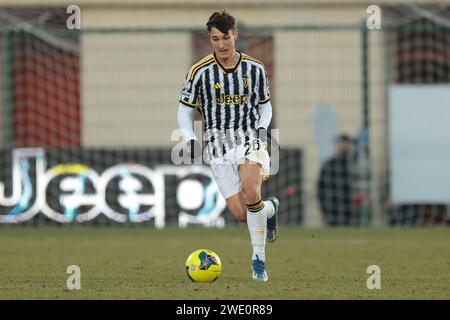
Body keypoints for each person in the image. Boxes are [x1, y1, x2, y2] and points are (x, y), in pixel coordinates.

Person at [177, 11, 279, 282]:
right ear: (209, 39)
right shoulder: (199, 72)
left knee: (250, 189)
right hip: (217, 145)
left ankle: (258, 261)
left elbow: (265, 107)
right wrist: (189, 139)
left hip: (249, 139)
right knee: (242, 214)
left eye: (225, 37)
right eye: (214, 39)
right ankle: (270, 209)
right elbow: (184, 111)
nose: (221, 44)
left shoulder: (254, 69)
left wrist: (260, 130)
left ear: (235, 34)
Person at [317, 134, 357, 226]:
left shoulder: (354, 164)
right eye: (342, 143)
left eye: (346, 143)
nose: (344, 146)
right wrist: (323, 208)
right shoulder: (329, 165)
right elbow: (320, 188)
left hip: (350, 210)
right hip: (332, 209)